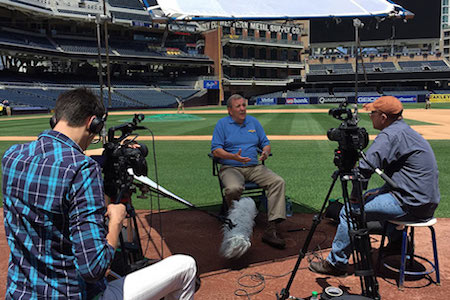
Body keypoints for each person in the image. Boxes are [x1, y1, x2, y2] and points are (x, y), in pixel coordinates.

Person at [2, 88, 197, 299]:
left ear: (55, 119)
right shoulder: (82, 169)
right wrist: (115, 221)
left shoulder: (13, 156)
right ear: (93, 123)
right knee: (185, 266)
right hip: (71, 294)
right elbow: (94, 269)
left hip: (20, 294)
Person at [309, 96, 440, 276]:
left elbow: (364, 168)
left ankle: (336, 264)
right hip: (424, 200)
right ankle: (398, 243)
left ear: (383, 117)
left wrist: (355, 197)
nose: (370, 116)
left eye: (373, 113)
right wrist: (376, 192)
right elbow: (400, 180)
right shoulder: (404, 130)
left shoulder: (390, 135)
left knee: (348, 211)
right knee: (370, 196)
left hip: (410, 203)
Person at [211, 94, 287, 249]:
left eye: (244, 105)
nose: (242, 109)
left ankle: (272, 228)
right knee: (234, 188)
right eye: (238, 106)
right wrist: (233, 156)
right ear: (230, 110)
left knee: (278, 182)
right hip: (231, 167)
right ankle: (235, 220)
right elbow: (216, 150)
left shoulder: (253, 122)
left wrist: (265, 152)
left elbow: (265, 143)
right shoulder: (222, 124)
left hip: (254, 167)